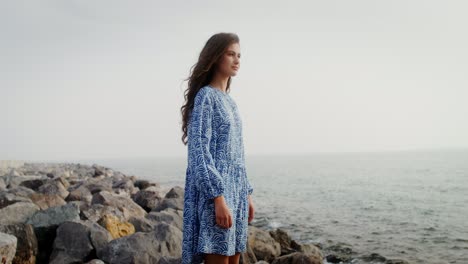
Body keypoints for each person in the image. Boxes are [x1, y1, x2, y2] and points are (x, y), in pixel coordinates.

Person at [180, 32, 255, 264]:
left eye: (239, 55)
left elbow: (237, 154)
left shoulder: (230, 101)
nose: (237, 60)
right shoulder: (206, 97)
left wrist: (247, 193)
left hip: (237, 195)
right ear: (215, 57)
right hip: (217, 196)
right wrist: (217, 198)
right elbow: (199, 153)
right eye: (230, 54)